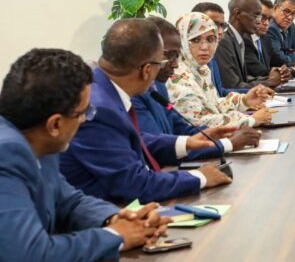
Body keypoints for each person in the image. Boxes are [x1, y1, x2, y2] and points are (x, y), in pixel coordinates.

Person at [0, 48, 171, 260]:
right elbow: (30, 255)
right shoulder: (6, 154)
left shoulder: (38, 138)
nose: (83, 121)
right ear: (55, 124)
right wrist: (116, 235)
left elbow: (68, 202)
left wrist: (116, 219)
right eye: (83, 113)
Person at [60, 19, 237, 204]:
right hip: (110, 212)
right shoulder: (99, 108)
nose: (174, 66)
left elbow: (132, 140)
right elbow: (134, 184)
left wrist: (187, 142)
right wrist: (199, 177)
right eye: (163, 61)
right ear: (147, 70)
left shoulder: (103, 87)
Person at [132, 16, 262, 155]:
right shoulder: (140, 92)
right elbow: (159, 147)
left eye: (210, 39)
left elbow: (180, 127)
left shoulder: (159, 85)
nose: (175, 64)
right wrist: (228, 143)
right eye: (168, 55)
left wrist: (218, 135)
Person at [167, 12, 273, 128]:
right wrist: (250, 120)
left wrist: (244, 100)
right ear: (182, 40)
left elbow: (213, 105)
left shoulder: (201, 69)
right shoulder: (176, 76)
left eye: (210, 39)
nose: (205, 47)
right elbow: (199, 122)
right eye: (196, 40)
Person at [216, 0, 285, 89]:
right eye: (256, 15)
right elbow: (232, 86)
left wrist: (275, 76)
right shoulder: (224, 42)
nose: (259, 21)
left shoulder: (238, 39)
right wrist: (269, 82)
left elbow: (245, 80)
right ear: (238, 14)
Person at [191, 2, 248, 97]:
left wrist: (249, 94)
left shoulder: (211, 58)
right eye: (213, 24)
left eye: (222, 25)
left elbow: (218, 92)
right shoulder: (182, 66)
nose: (220, 31)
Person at [242, 0, 294, 85]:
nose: (266, 23)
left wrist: (291, 68)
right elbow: (259, 71)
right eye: (262, 17)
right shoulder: (244, 40)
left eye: (269, 19)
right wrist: (293, 72)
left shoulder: (265, 39)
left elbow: (278, 62)